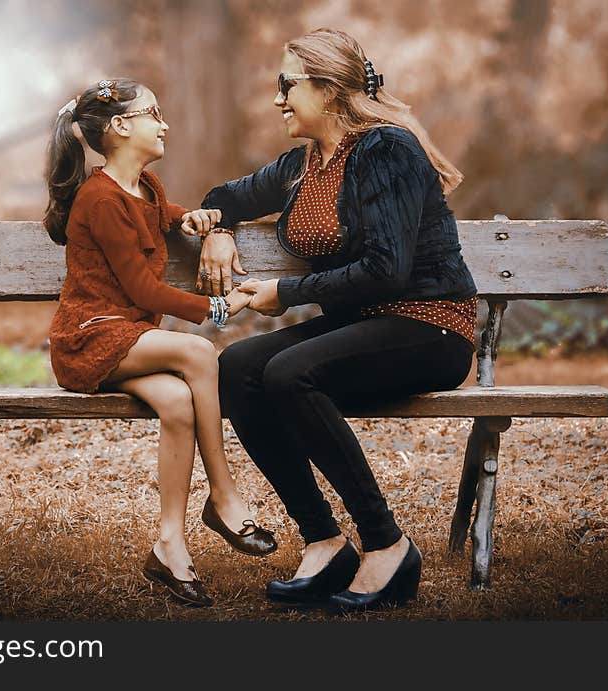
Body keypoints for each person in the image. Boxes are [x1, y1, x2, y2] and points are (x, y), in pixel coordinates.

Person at [196, 29, 478, 612]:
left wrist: (286, 291)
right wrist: (219, 230)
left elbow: (388, 270)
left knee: (290, 372)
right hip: (362, 325)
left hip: (429, 324)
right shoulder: (303, 165)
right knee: (240, 366)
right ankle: (324, 540)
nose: (277, 99)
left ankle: (386, 544)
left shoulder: (386, 150)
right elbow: (224, 193)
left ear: (326, 90)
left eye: (286, 84)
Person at [43, 79, 277, 607]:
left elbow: (165, 218)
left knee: (176, 402)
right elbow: (144, 290)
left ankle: (168, 545)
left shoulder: (145, 187)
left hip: (128, 337)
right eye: (153, 113)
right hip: (89, 338)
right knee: (197, 352)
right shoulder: (98, 198)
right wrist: (224, 306)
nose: (164, 122)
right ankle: (223, 495)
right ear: (121, 128)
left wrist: (203, 222)